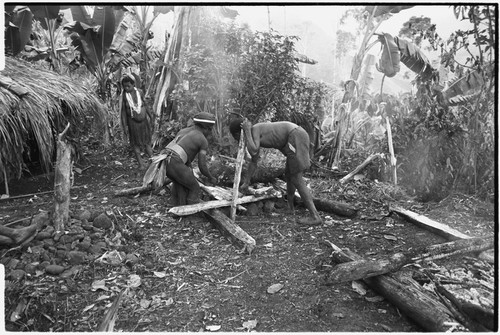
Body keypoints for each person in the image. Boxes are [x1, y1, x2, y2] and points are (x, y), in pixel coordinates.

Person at [229, 117, 323, 226]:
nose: (237, 140)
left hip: (296, 135)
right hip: (294, 137)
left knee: (296, 178)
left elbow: (253, 150)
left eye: (236, 137)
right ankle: (290, 208)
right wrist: (246, 182)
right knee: (289, 175)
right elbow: (254, 161)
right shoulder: (254, 135)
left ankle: (315, 216)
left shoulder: (254, 130)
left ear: (239, 133)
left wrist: (247, 132)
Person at [163, 112, 218, 206]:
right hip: (175, 162)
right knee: (195, 188)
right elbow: (202, 166)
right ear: (206, 128)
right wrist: (210, 177)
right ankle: (191, 213)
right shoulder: (202, 140)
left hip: (165, 160)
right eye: (210, 130)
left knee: (179, 183)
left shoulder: (183, 131)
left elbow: (181, 152)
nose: (210, 132)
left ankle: (177, 207)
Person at [119, 74, 153, 169]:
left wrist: (151, 116)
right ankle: (141, 164)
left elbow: (145, 105)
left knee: (147, 142)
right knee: (135, 144)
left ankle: (153, 161)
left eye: (128, 86)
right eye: (124, 86)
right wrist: (125, 126)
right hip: (133, 123)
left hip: (144, 122)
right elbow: (123, 113)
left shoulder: (140, 92)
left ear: (133, 84)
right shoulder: (124, 97)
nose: (126, 88)